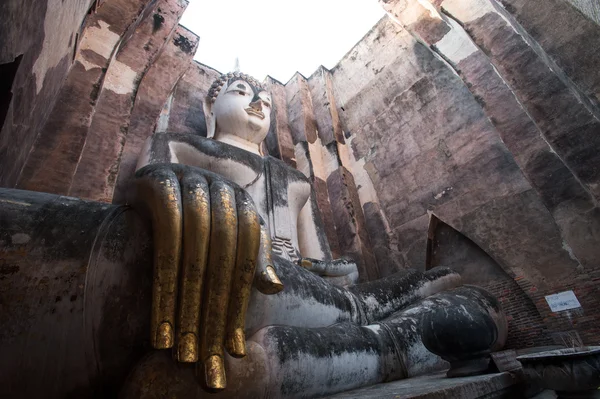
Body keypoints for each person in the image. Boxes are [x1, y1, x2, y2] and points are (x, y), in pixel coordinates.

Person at [118, 72, 508, 398]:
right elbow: (145, 193)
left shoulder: (296, 181)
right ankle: (375, 349)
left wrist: (329, 269)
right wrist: (179, 190)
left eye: (266, 103)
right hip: (236, 274)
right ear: (211, 107)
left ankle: (314, 358)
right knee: (378, 307)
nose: (256, 104)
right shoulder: (181, 145)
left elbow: (321, 259)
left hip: (324, 296)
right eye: (241, 93)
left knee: (449, 283)